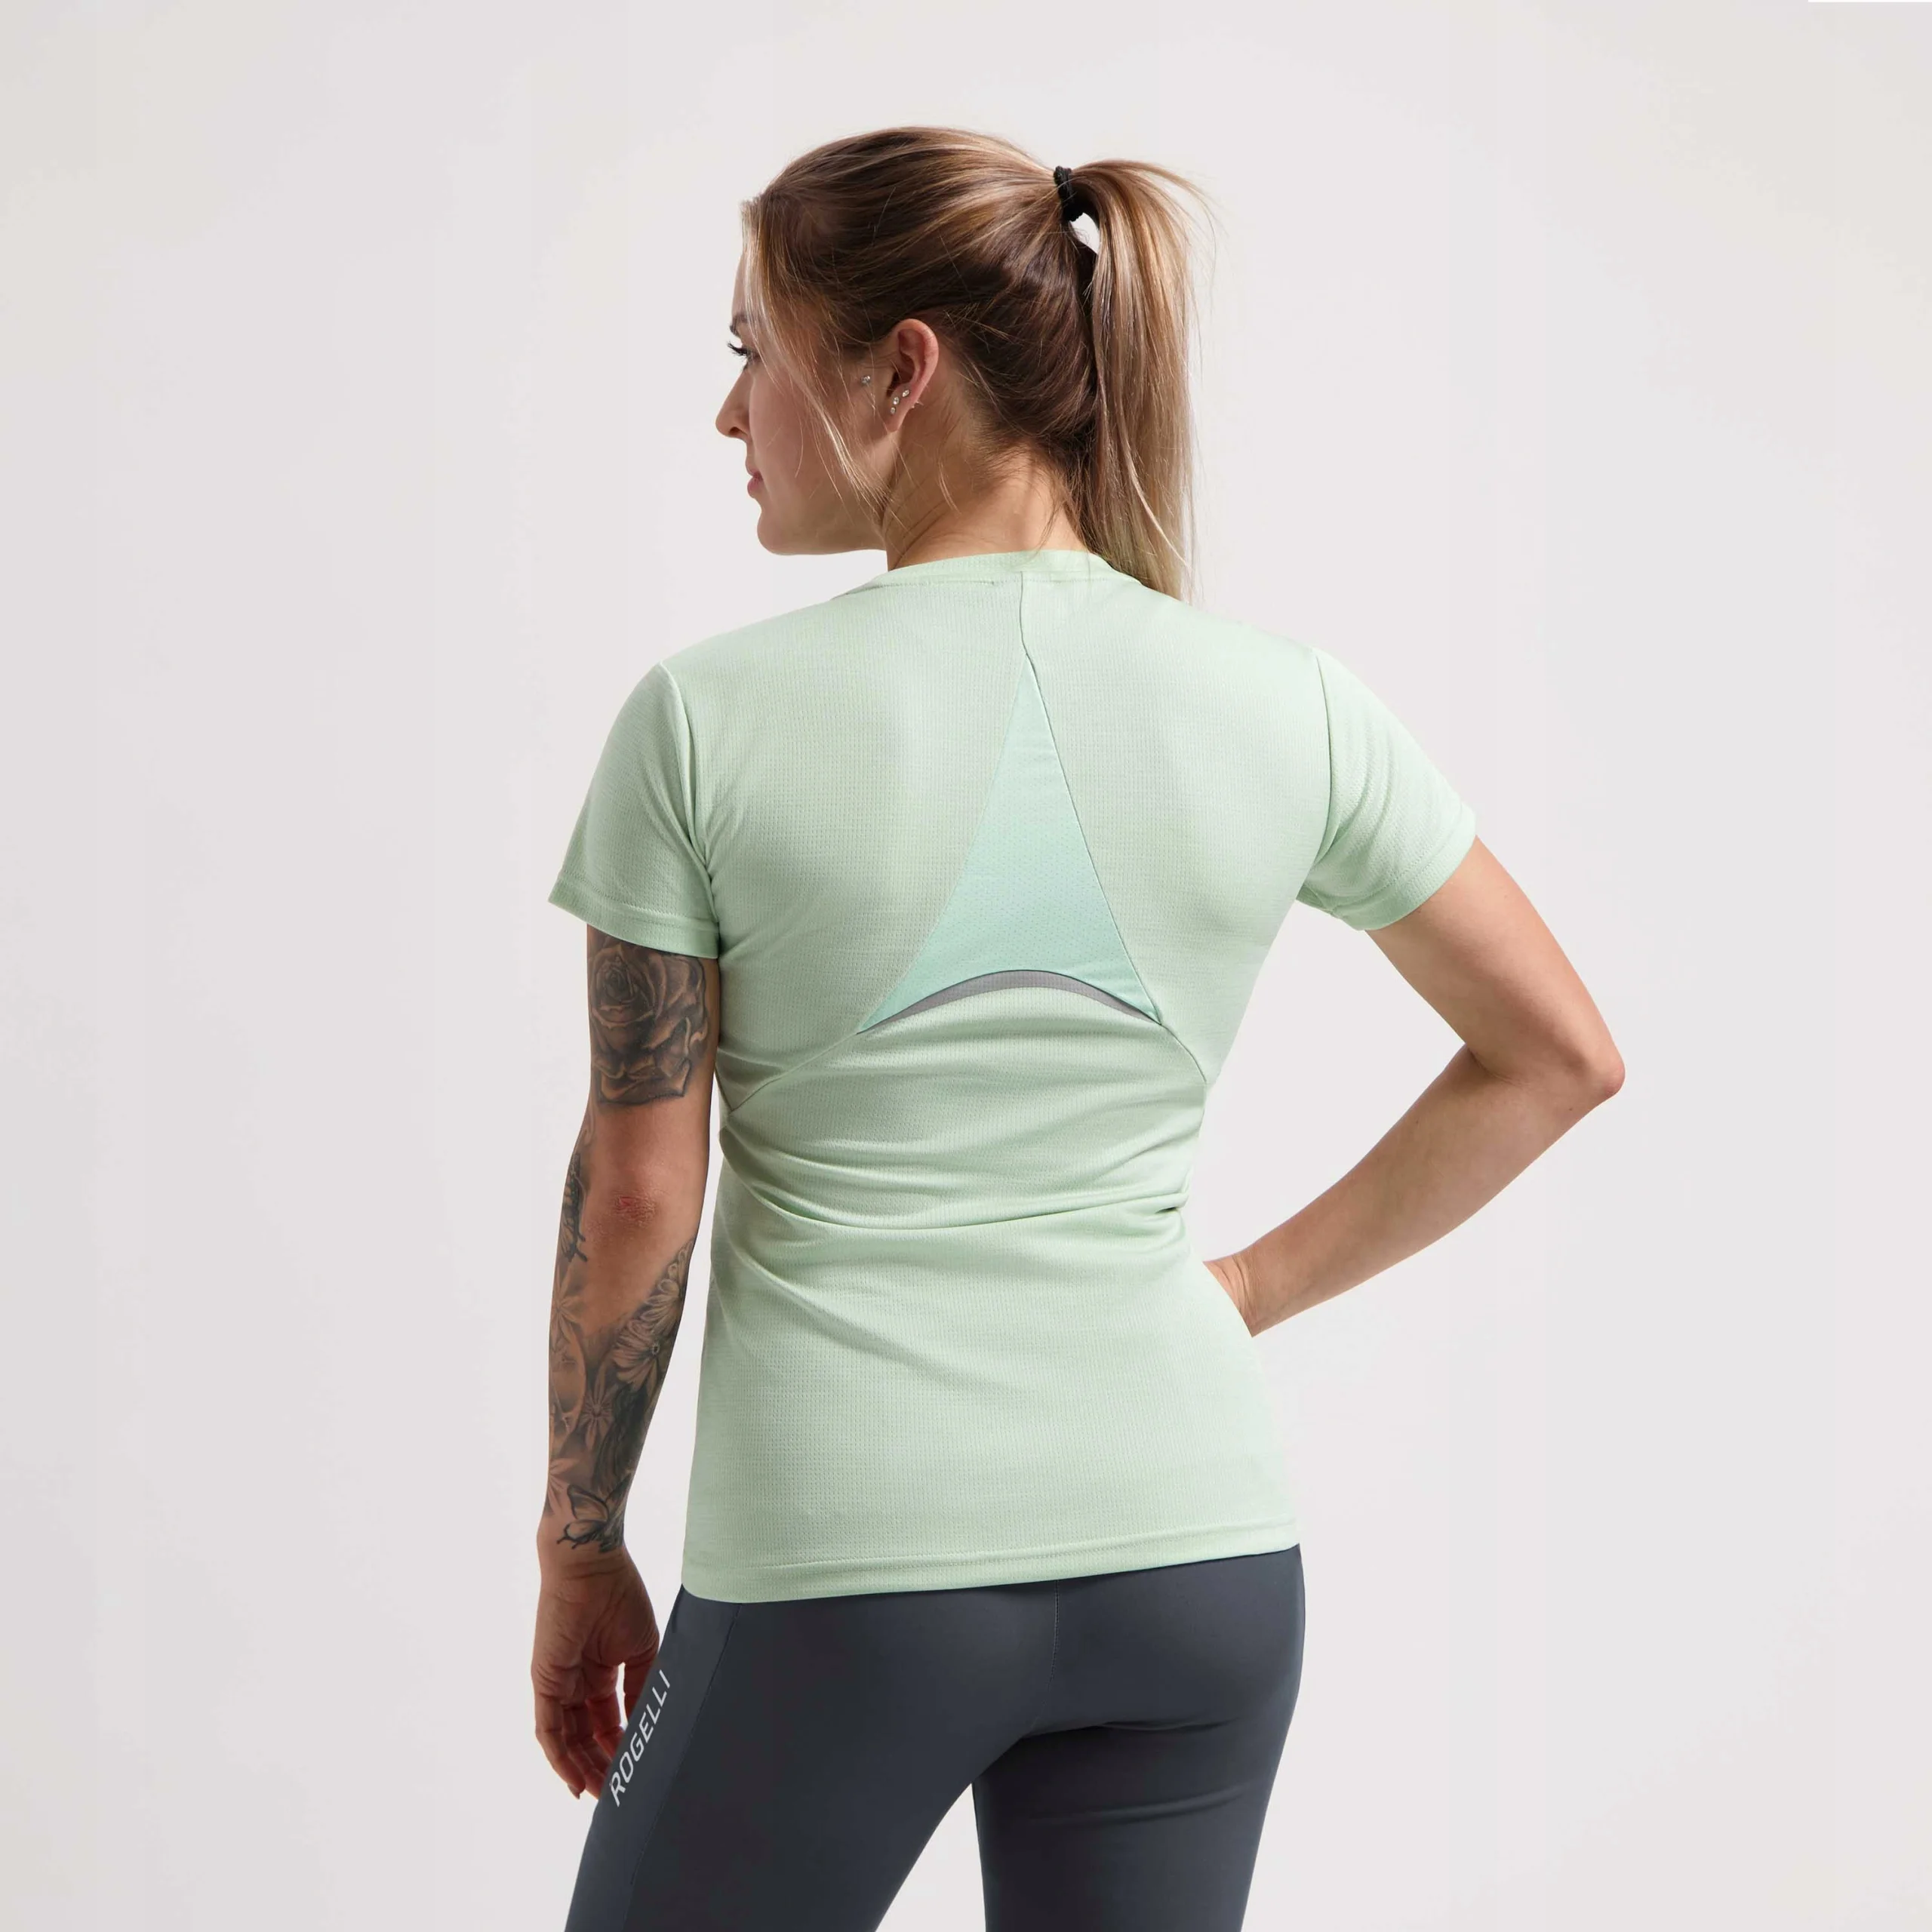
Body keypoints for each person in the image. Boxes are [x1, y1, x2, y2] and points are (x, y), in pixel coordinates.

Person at [531, 127, 1623, 1932]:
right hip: (1194, 1559)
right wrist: (1241, 1290)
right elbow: (1557, 1053)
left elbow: (641, 1190)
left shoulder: (703, 723)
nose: (730, 413)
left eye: (751, 351)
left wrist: (579, 1541)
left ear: (898, 368)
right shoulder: (1287, 705)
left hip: (844, 1564)